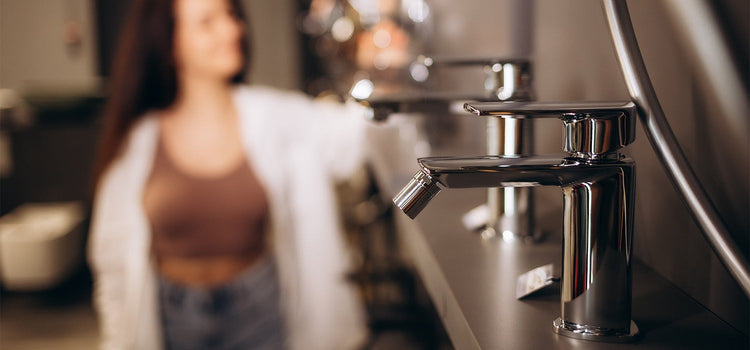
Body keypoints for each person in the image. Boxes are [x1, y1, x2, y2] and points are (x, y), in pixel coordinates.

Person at [88, 0, 373, 349]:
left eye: (232, 15)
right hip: (171, 318)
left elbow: (356, 138)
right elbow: (112, 262)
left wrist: (381, 66)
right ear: (169, 43)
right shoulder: (139, 141)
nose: (232, 29)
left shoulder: (278, 118)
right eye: (207, 22)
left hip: (259, 309)